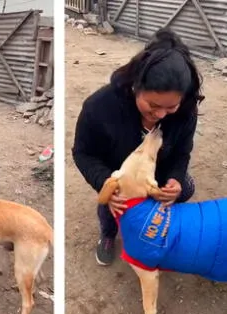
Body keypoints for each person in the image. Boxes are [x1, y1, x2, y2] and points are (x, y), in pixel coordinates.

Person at [72, 28, 204, 266]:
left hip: (158, 174)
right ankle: (108, 234)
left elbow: (183, 150)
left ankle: (161, 224)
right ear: (136, 86)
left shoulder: (186, 110)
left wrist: (174, 178)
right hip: (121, 180)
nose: (161, 114)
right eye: (153, 105)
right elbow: (83, 153)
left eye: (170, 107)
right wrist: (106, 184)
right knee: (113, 205)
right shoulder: (99, 107)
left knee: (183, 189)